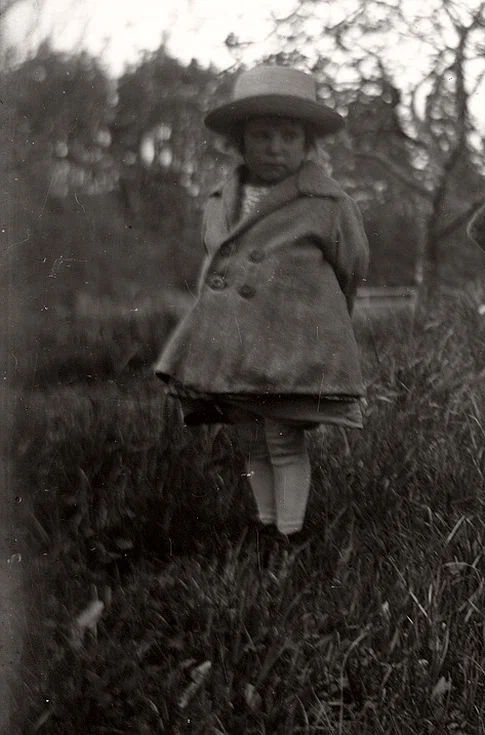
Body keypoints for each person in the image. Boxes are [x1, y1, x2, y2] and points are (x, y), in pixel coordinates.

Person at [155, 64, 370, 540]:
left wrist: (322, 322)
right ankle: (265, 524)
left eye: (289, 136)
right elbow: (217, 266)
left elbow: (351, 267)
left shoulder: (328, 204)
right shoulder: (219, 199)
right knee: (251, 440)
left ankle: (290, 535)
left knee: (282, 438)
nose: (275, 147)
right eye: (262, 135)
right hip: (233, 346)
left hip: (288, 347)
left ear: (308, 143)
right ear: (240, 142)